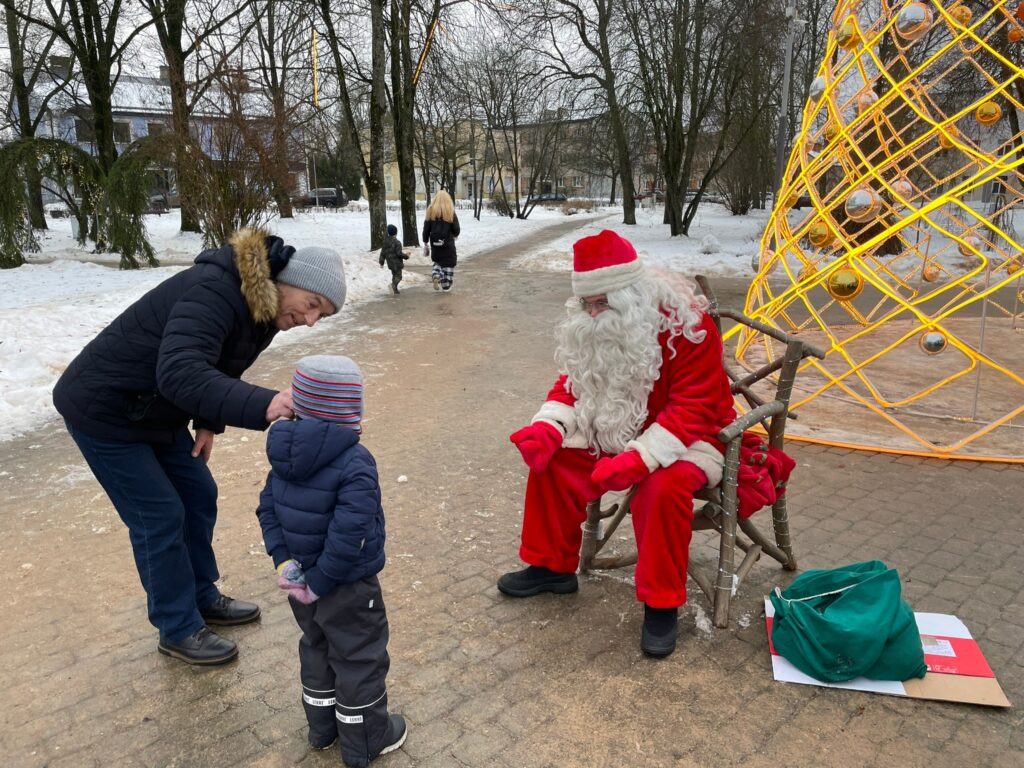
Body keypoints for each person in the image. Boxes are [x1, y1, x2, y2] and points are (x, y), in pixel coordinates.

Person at [53, 228, 346, 666]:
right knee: (159, 514)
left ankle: (202, 597)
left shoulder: (262, 308)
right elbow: (181, 370)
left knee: (198, 494)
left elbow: (221, 363)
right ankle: (177, 627)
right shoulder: (215, 290)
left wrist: (208, 421)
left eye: (321, 316)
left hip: (153, 410)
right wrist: (266, 403)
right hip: (105, 410)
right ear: (291, 280)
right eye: (312, 306)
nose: (309, 322)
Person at [497, 229, 736, 658]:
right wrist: (549, 425)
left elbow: (696, 405)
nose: (592, 314)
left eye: (601, 302)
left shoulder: (687, 327)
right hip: (615, 426)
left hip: (687, 437)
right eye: (586, 305)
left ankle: (662, 604)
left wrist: (642, 458)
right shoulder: (590, 324)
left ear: (632, 292)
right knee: (551, 463)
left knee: (662, 489)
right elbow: (574, 381)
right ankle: (551, 568)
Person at [256, 355, 406, 767]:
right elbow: (350, 533)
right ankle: (365, 742)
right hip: (345, 584)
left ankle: (322, 730)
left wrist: (286, 565)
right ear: (349, 409)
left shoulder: (283, 454)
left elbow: (266, 510)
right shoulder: (355, 460)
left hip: (299, 582)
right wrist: (321, 579)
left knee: (317, 646)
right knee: (359, 656)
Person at [421, 189, 460, 292]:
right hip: (448, 243)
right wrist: (455, 234)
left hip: (435, 244)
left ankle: (436, 274)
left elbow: (426, 229)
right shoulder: (450, 211)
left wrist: (425, 241)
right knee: (449, 262)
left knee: (438, 261)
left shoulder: (430, 210)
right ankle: (446, 285)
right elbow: (456, 229)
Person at [378, 223, 408, 295]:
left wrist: (381, 262)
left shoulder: (385, 242)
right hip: (397, 263)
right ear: (396, 233)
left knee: (394, 275)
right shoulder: (397, 242)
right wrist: (406, 256)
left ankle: (395, 290)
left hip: (390, 263)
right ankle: (393, 285)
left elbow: (383, 253)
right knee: (399, 276)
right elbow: (399, 253)